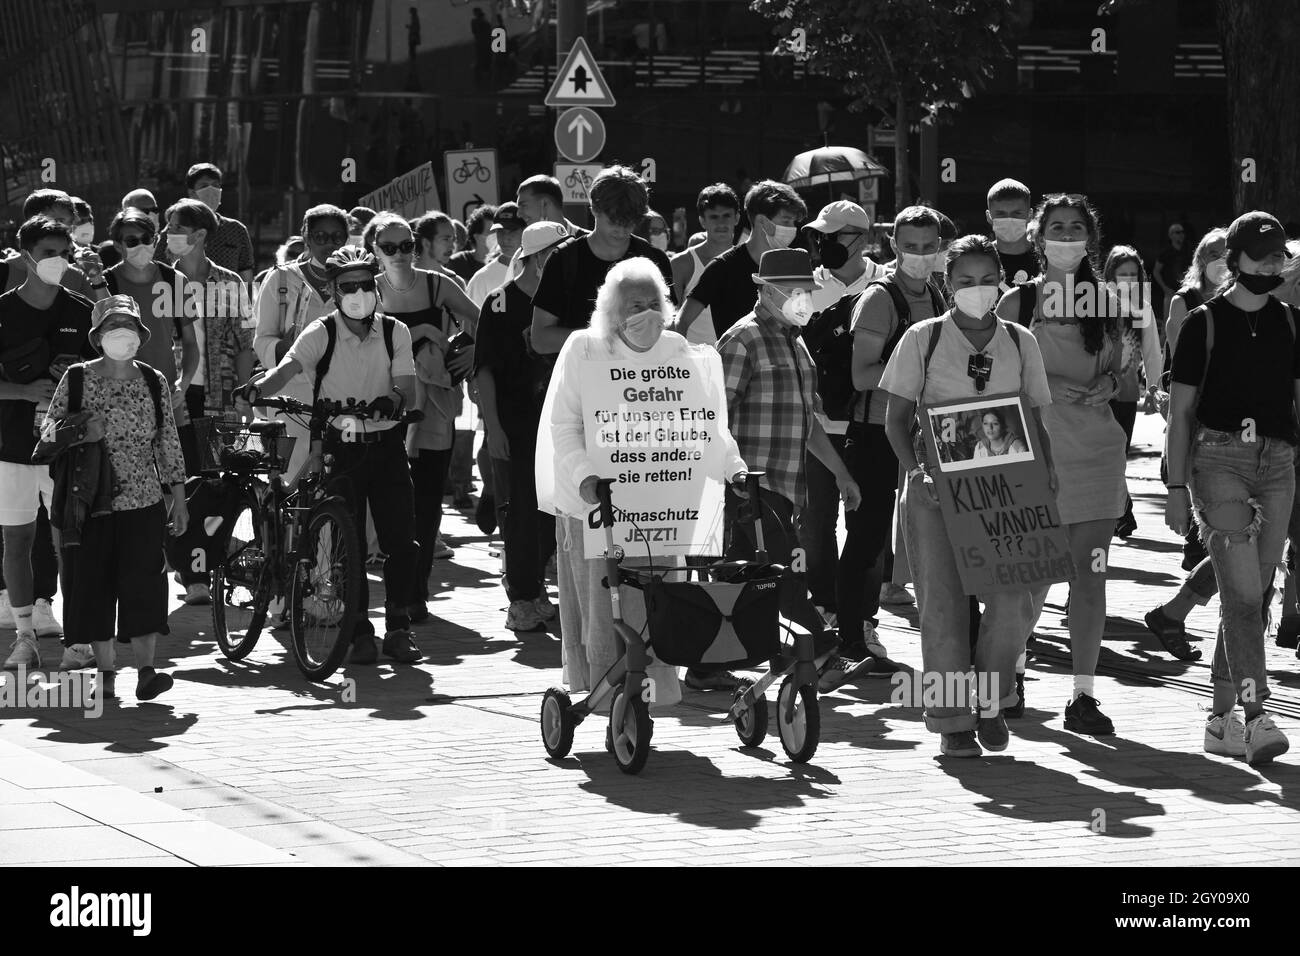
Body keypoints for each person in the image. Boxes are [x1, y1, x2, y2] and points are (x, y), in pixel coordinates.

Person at [542, 257, 745, 707]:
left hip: (660, 503)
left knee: (658, 602)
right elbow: (565, 426)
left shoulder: (679, 350)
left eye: (655, 302)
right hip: (597, 503)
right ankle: (604, 693)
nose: (648, 312)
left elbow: (706, 424)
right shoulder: (584, 348)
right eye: (636, 304)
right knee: (604, 606)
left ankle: (648, 693)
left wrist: (734, 467)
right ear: (613, 308)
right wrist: (585, 476)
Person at [882, 234, 1056, 757]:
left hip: (1010, 486)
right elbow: (895, 422)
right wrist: (918, 473)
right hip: (937, 485)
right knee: (942, 605)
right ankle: (953, 719)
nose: (976, 290)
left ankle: (992, 698)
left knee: (1014, 602)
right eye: (964, 281)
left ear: (1001, 282)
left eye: (986, 281)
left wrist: (1048, 480)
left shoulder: (1022, 340)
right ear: (946, 283)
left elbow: (1037, 418)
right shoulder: (923, 338)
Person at [242, 247, 422, 666]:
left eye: (365, 284)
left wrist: (391, 399)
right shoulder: (320, 332)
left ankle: (399, 628)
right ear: (332, 291)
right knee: (348, 541)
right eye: (347, 287)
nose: (358, 293)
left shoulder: (396, 331)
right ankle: (359, 630)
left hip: (386, 446)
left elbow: (407, 387)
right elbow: (284, 372)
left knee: (402, 542)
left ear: (376, 285)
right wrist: (255, 390)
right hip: (339, 449)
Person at [1164, 210, 1298, 765]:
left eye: (1278, 257)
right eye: (1261, 257)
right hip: (1217, 460)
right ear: (1234, 262)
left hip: (1279, 462)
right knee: (1244, 594)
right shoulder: (1203, 322)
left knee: (1254, 594)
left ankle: (1219, 721)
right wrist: (1174, 486)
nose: (1272, 266)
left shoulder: (1292, 322)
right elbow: (1180, 413)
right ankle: (1256, 713)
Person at [996, 193, 1128, 736]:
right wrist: (1060, 391)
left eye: (1076, 227)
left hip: (1098, 457)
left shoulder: (1110, 303)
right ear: (1037, 234)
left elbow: (1122, 381)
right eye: (1057, 227)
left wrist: (1101, 387)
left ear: (1090, 238)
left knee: (1090, 578)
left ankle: (1083, 695)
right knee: (1032, 580)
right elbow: (997, 386)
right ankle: (1016, 673)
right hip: (1033, 459)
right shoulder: (1015, 303)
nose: (1067, 236)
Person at [716, 248, 865, 692]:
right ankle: (821, 651)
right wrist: (735, 480)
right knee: (769, 577)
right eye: (795, 290)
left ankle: (718, 664)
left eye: (807, 291)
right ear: (766, 290)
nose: (803, 298)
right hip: (749, 489)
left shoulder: (795, 341)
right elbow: (715, 418)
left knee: (759, 577)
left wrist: (840, 474)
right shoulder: (742, 340)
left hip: (783, 487)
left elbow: (809, 422)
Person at [42, 295, 187, 701]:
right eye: (111, 327)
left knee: (144, 587)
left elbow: (168, 441)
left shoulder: (153, 380)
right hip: (88, 503)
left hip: (143, 502)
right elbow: (47, 436)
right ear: (97, 336)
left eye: (127, 327)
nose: (120, 334)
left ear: (140, 336)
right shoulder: (76, 378)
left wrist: (180, 495)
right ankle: (106, 673)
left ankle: (146, 671)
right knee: (92, 585)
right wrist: (83, 429)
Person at [366, 211, 478, 613]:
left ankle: (417, 592)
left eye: (406, 245)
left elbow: (481, 322)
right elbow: (356, 341)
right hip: (382, 406)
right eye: (389, 247)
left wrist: (469, 351)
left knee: (428, 500)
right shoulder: (367, 289)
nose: (399, 254)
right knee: (389, 500)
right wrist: (424, 333)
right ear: (375, 251)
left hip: (431, 408)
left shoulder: (437, 284)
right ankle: (396, 590)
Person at [0, 217, 97, 669]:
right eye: (47, 253)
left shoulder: (82, 311)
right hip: (12, 447)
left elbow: (102, 379)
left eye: (65, 253)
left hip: (66, 451)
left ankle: (78, 640)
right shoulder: (2, 310)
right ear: (24, 255)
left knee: (70, 543)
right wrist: (22, 391)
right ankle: (24, 638)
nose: (57, 261)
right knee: (17, 543)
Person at [798, 199, 888, 659]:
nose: (823, 244)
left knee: (868, 529)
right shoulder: (804, 287)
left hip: (871, 427)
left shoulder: (886, 286)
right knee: (816, 526)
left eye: (834, 236)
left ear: (862, 238)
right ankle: (829, 614)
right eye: (820, 236)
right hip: (816, 427)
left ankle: (865, 620)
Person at [851, 206, 949, 615]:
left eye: (928, 247)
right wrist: (920, 376)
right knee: (869, 538)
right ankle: (856, 627)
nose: (920, 254)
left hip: (919, 429)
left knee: (919, 525)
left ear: (940, 247)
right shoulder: (879, 297)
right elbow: (861, 374)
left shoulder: (936, 291)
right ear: (893, 245)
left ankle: (897, 594)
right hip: (877, 429)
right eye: (910, 247)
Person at [475, 222, 568, 631]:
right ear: (537, 257)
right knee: (519, 514)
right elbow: (485, 372)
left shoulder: (568, 302)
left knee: (553, 511)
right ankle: (522, 599)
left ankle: (535, 590)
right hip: (514, 423)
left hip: (561, 424)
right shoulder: (499, 303)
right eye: (557, 253)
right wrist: (492, 427)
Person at [165, 198, 255, 604]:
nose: (167, 236)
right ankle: (182, 566)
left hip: (218, 396)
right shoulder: (160, 281)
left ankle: (200, 571)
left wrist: (242, 394)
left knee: (212, 483)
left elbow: (243, 343)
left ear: (199, 236)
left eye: (174, 228)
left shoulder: (230, 283)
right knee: (176, 480)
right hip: (173, 396)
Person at [530, 165, 675, 356]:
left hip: (642, 381)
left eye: (629, 222)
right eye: (614, 221)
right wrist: (605, 338)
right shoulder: (563, 260)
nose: (622, 230)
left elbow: (670, 330)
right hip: (584, 379)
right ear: (594, 209)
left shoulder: (654, 259)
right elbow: (540, 339)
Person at [253, 205, 350, 485]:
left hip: (342, 395)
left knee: (338, 477)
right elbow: (262, 340)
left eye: (336, 237)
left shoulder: (357, 280)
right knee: (289, 477)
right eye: (320, 236)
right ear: (306, 237)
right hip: (290, 395)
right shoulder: (281, 279)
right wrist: (290, 349)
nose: (329, 244)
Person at [674, 179, 806, 343]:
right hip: (735, 364)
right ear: (762, 221)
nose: (792, 228)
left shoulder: (791, 265)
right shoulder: (721, 267)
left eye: (793, 222)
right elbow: (681, 321)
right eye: (786, 221)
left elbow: (802, 322)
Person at [102, 209, 199, 423]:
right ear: (118, 246)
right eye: (132, 241)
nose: (141, 246)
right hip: (120, 399)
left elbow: (192, 343)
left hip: (167, 398)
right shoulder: (105, 284)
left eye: (146, 239)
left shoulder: (175, 280)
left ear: (155, 240)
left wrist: (182, 385)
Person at [1103, 245, 1163, 539]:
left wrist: (1155, 388)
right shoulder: (1094, 303)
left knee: (1118, 455)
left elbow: (1152, 352)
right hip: (1096, 394)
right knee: (1104, 455)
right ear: (1109, 274)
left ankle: (1120, 511)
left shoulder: (1142, 307)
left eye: (1132, 274)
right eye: (1121, 273)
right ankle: (1122, 513)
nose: (1127, 279)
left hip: (1126, 394)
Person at [155, 163, 255, 283]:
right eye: (204, 186)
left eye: (216, 185)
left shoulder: (236, 230)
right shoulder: (174, 232)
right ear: (192, 193)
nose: (211, 190)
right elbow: (157, 269)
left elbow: (247, 277)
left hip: (224, 296)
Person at [668, 184, 739, 344]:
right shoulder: (681, 263)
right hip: (695, 362)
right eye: (714, 217)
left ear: (737, 218)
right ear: (702, 221)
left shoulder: (747, 260)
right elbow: (670, 319)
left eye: (726, 215)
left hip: (738, 360)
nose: (721, 223)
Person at [2, 190, 101, 298]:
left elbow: (108, 313)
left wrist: (97, 279)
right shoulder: (3, 271)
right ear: (32, 222)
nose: (65, 229)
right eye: (58, 221)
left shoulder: (77, 276)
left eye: (70, 222)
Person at [466, 202, 525, 308]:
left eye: (512, 230)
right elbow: (470, 322)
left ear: (525, 230)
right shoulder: (481, 279)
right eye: (500, 231)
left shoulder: (539, 271)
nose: (506, 237)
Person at [986, 178, 1039, 290]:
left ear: (1030, 215)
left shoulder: (1045, 258)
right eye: (1001, 214)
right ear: (989, 216)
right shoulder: (981, 258)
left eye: (1016, 213)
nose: (1009, 219)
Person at [97, 188, 162, 271]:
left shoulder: (170, 243)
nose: (151, 214)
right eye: (144, 211)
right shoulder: (112, 254)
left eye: (155, 210)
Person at [449, 204, 497, 284]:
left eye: (499, 231)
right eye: (492, 231)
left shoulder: (506, 261)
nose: (497, 235)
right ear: (477, 236)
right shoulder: (458, 262)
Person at [1154, 222, 1192, 322]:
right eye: (1177, 232)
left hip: (1185, 293)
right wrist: (1165, 288)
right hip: (1170, 293)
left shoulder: (1188, 251)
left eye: (1182, 232)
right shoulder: (1166, 252)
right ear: (1170, 235)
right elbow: (1156, 271)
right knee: (1167, 324)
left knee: (1185, 323)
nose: (1181, 235)